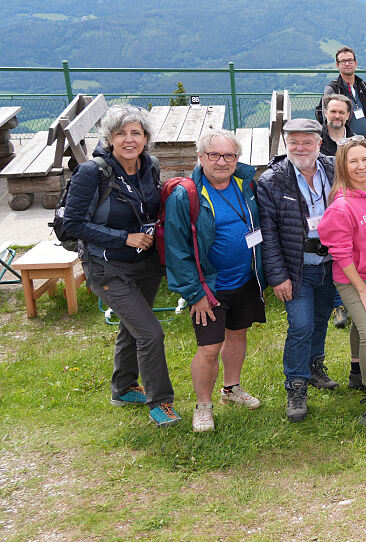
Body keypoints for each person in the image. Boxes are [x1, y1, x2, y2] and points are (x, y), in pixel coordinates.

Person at [61, 106, 178, 427]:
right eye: (120, 133)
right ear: (109, 139)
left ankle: (124, 387)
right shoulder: (91, 173)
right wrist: (124, 237)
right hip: (106, 266)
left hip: (146, 265)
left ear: (146, 138)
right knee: (151, 333)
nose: (129, 140)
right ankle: (161, 402)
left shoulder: (150, 166)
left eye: (135, 133)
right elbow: (73, 223)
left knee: (133, 326)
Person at [163, 129, 266, 433]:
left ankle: (231, 390)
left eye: (229, 155)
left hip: (245, 279)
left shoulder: (245, 184)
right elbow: (177, 249)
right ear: (201, 157)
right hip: (209, 286)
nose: (222, 161)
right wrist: (195, 293)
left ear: (237, 159)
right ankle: (203, 406)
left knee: (237, 334)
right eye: (214, 155)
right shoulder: (186, 195)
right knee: (209, 347)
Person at [256, 119, 341, 423]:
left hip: (331, 264)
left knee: (320, 320)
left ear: (320, 143)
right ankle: (296, 385)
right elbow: (268, 233)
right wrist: (277, 276)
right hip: (297, 268)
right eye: (294, 142)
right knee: (301, 325)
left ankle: (315, 368)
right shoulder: (271, 181)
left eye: (307, 142)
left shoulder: (334, 169)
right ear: (286, 145)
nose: (300, 148)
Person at [316, 137, 366, 426]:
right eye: (354, 161)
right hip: (352, 279)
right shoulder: (341, 206)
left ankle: (356, 374)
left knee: (360, 326)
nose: (361, 166)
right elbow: (340, 254)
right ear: (343, 165)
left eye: (365, 159)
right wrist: (362, 291)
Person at [323, 46, 366, 142]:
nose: (347, 64)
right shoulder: (332, 89)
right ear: (337, 65)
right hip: (343, 144)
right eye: (343, 61)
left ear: (356, 63)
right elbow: (327, 119)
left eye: (350, 60)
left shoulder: (365, 87)